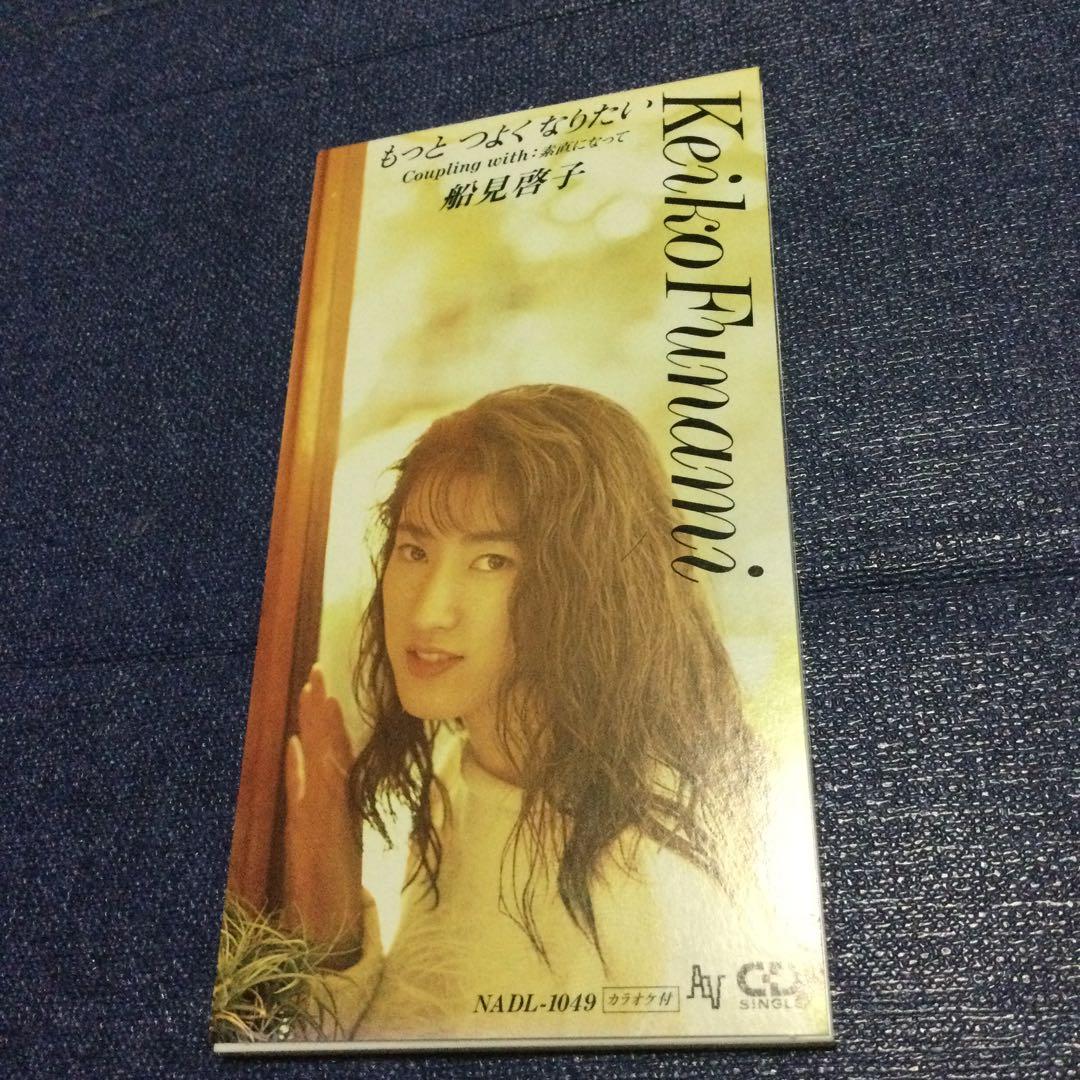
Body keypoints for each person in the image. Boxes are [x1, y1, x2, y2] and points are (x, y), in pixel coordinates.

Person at [281, 383, 771, 1041]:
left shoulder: (637, 885)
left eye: (493, 561)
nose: (428, 610)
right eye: (415, 550)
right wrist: (332, 921)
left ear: (587, 585)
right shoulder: (463, 774)